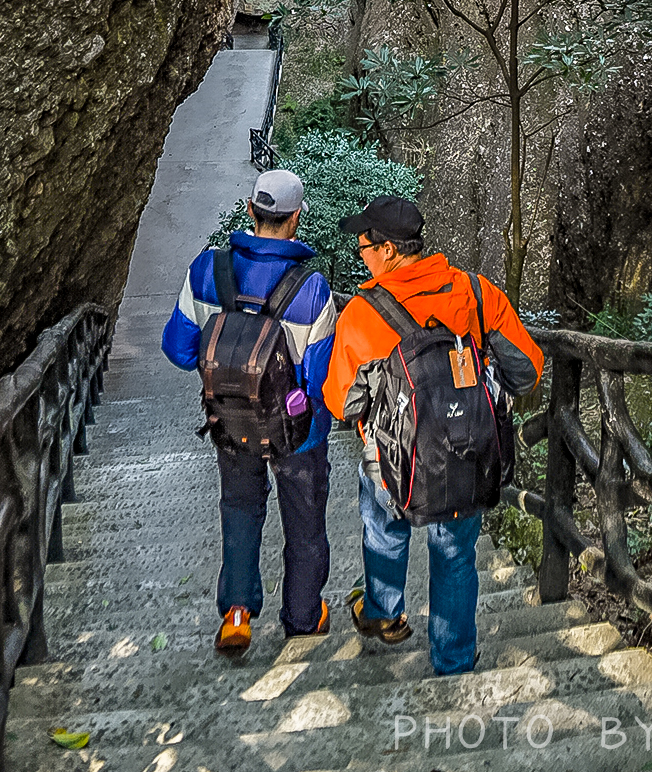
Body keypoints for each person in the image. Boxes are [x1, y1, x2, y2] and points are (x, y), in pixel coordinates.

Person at [323, 192, 544, 677]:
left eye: (363, 243)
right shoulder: (475, 292)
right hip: (466, 451)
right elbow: (527, 369)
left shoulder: (361, 314)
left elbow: (341, 402)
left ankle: (384, 612)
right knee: (456, 553)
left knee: (384, 526)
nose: (360, 252)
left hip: (392, 458)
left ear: (386, 250)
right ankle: (454, 661)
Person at [162, 168, 336, 657]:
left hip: (230, 420)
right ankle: (303, 615)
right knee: (303, 520)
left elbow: (177, 349)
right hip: (297, 431)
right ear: (296, 218)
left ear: (249, 211)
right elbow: (321, 380)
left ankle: (236, 614)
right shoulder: (312, 289)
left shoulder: (206, 271)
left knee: (239, 507)